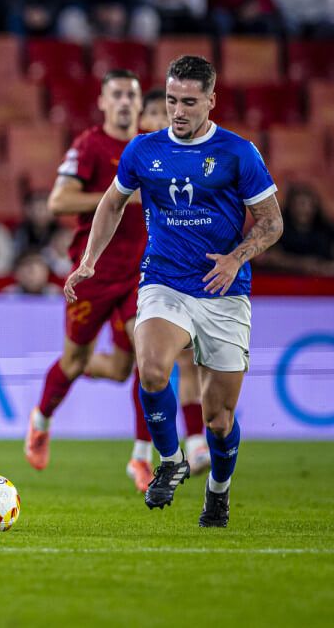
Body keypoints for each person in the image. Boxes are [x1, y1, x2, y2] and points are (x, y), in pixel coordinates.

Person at [65, 54, 284, 527]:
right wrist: (89, 260)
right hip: (164, 280)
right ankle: (169, 460)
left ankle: (218, 491)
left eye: (189, 102)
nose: (178, 111)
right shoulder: (143, 150)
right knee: (152, 370)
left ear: (210, 100)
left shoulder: (238, 152)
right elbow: (111, 204)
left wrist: (236, 258)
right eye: (170, 101)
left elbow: (271, 223)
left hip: (223, 291)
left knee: (219, 420)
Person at [77, 84, 209, 490]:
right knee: (134, 363)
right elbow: (108, 203)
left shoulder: (188, 153)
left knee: (180, 359)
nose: (160, 118)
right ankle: (72, 366)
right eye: (154, 111)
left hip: (181, 265)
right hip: (141, 274)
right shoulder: (141, 152)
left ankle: (192, 442)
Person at [25, 70, 146, 474]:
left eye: (132, 94)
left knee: (149, 359)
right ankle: (41, 421)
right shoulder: (90, 145)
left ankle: (142, 458)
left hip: (142, 273)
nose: (126, 101)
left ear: (141, 102)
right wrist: (119, 196)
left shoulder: (151, 148)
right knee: (83, 364)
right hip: (92, 271)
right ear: (103, 101)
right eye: (118, 95)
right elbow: (58, 202)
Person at [258, 184, 334, 276]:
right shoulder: (277, 228)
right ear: (290, 206)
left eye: (308, 205)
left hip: (322, 281)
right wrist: (301, 264)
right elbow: (269, 257)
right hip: (285, 280)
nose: (303, 209)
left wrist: (329, 268)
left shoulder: (325, 228)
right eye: (300, 204)